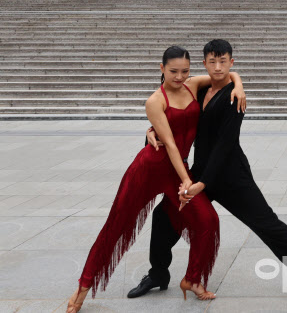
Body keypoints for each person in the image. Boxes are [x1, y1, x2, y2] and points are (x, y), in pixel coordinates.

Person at [131, 39, 287, 303]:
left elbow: (226, 145)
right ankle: (158, 274)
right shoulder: (199, 90)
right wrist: (151, 132)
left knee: (269, 226)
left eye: (223, 62)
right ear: (203, 64)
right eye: (212, 62)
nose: (217, 67)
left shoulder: (234, 98)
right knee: (163, 218)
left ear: (231, 62)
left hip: (231, 176)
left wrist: (201, 183)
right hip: (200, 173)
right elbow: (175, 119)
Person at [66, 46, 234, 312]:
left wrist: (240, 86)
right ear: (161, 68)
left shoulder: (193, 84)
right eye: (173, 71)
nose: (179, 76)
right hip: (149, 167)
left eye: (185, 71)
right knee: (116, 226)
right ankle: (82, 288)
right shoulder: (155, 101)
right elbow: (168, 144)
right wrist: (187, 183)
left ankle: (192, 279)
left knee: (208, 219)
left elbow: (228, 74)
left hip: (175, 170)